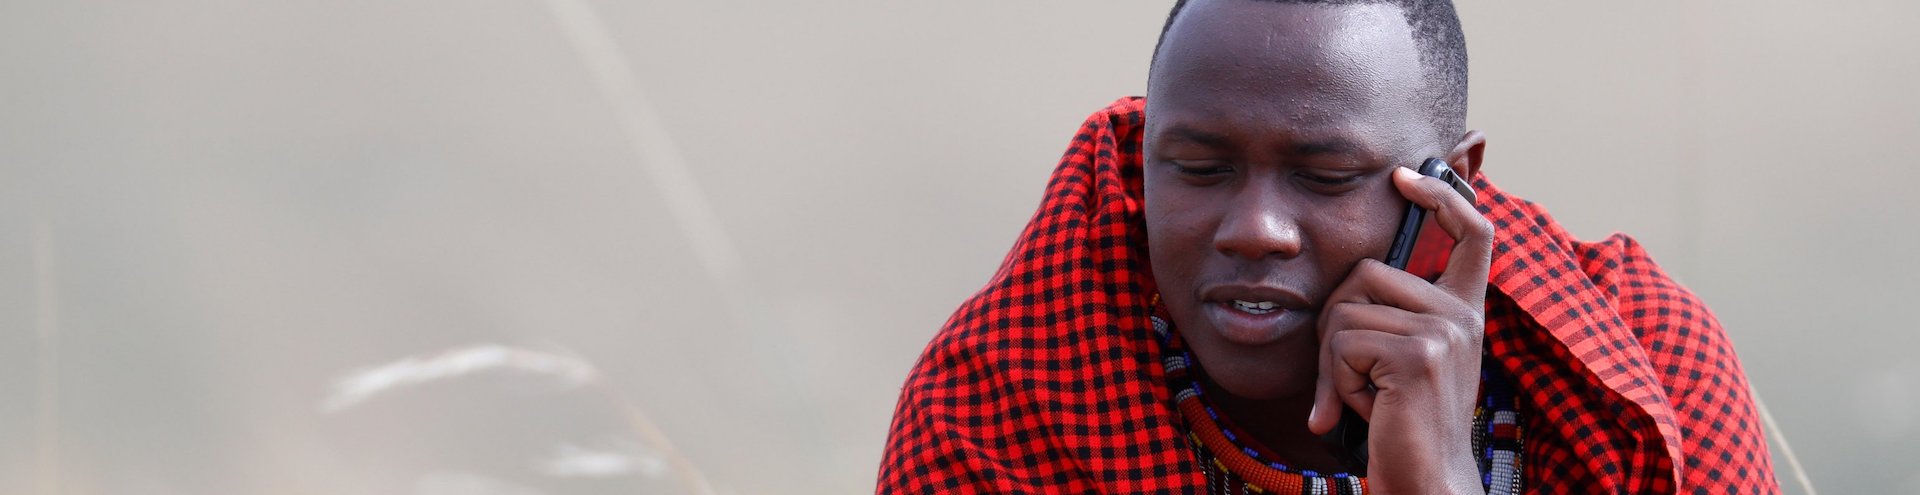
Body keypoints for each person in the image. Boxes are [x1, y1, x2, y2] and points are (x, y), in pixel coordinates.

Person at [877, 0, 1779, 493]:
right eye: (1197, 166)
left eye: (1324, 175)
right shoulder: (998, 409)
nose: (1252, 229)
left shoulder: (1646, 359)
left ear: (1453, 182)